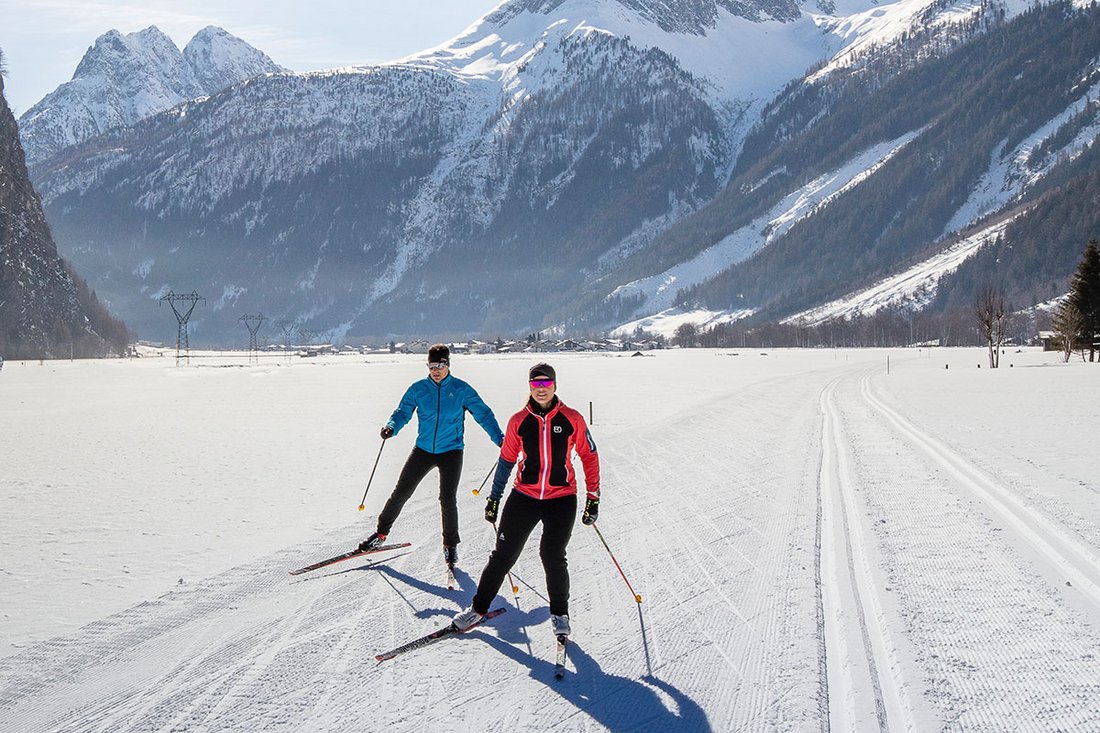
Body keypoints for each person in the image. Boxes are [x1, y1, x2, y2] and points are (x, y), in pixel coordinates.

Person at [452, 362, 600, 639]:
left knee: (553, 555)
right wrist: (494, 498)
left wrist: (593, 496)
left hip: (562, 498)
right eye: (536, 384)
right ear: (529, 387)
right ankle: (477, 609)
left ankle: (560, 613)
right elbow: (506, 461)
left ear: (555, 386)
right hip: (524, 496)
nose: (541, 389)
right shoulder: (519, 421)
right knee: (503, 555)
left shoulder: (572, 418)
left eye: (546, 384)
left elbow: (589, 455)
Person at [359, 344, 503, 569]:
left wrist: (500, 439)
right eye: (432, 365)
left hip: (452, 451)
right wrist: (391, 426)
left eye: (440, 365)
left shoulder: (461, 389)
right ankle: (380, 533)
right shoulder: (418, 389)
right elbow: (402, 412)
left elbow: (484, 414)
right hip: (423, 450)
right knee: (401, 492)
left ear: (448, 364)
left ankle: (450, 545)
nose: (436, 369)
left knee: (447, 499)